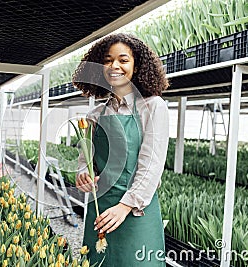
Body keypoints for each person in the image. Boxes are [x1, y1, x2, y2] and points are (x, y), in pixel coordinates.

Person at [72, 33, 169, 266]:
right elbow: (85, 158)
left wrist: (125, 206)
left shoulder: (153, 107)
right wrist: (82, 174)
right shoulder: (95, 115)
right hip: (101, 209)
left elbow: (152, 164)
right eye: (107, 60)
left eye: (123, 60)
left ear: (136, 66)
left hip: (137, 211)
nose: (114, 66)